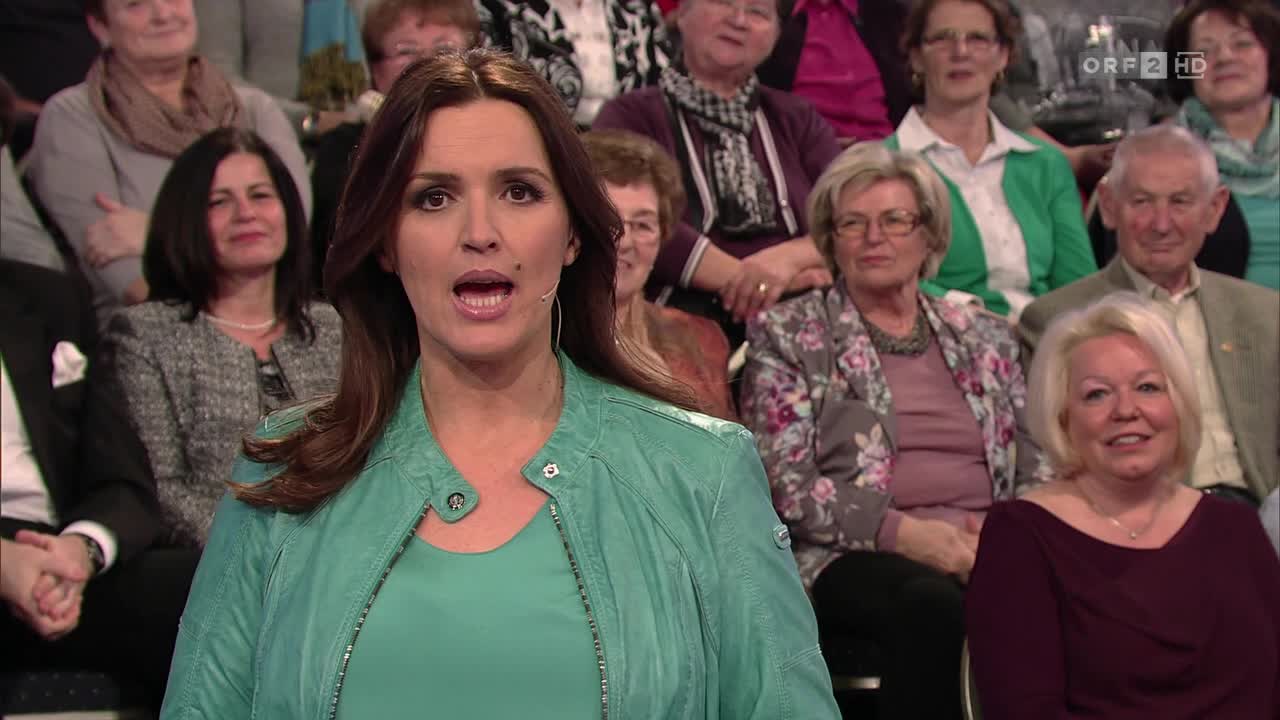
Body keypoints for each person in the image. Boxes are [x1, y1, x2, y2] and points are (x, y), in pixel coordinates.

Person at [158, 50, 839, 719]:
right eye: (433, 197)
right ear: (386, 242)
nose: (480, 233)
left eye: (519, 192)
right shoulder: (286, 474)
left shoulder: (702, 472)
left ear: (572, 233)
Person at [740, 142, 1043, 720]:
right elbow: (784, 484)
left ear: (928, 234)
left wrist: (1008, 536)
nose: (873, 237)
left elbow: (1038, 462)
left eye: (895, 220)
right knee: (931, 603)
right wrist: (908, 534)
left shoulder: (985, 335)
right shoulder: (790, 333)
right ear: (832, 240)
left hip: (990, 544)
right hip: (853, 553)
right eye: (853, 223)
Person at [968, 293, 1280, 718]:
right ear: (1063, 417)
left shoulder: (1236, 528)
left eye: (1148, 387)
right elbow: (1024, 710)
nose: (1127, 410)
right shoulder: (1021, 536)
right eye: (1097, 395)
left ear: (1179, 403)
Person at [102, 129, 342, 548]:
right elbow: (162, 489)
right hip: (221, 561)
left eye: (260, 196)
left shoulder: (335, 327)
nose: (246, 214)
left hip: (348, 551)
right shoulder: (145, 335)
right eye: (219, 202)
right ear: (188, 221)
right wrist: (259, 552)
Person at [1021, 125, 1279, 507]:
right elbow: (1051, 459)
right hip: (1138, 513)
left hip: (1260, 510)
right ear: (1109, 206)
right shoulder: (1057, 319)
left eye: (1180, 202)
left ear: (1215, 209)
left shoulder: (1265, 312)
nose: (1161, 224)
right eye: (1142, 202)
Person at [25, 0, 310, 326]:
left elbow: (291, 229)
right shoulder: (73, 118)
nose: (163, 14)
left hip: (275, 323)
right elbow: (124, 274)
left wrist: (151, 230)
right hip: (151, 333)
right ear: (99, 26)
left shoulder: (255, 109)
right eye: (136, 4)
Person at [0, 258, 199, 712]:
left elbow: (121, 477)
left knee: (207, 590)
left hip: (55, 550)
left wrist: (79, 551)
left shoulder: (46, 297)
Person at [594, 0, 841, 347]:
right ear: (682, 13)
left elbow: (848, 213)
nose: (739, 20)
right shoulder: (630, 115)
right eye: (723, 2)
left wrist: (786, 261)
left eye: (758, 12)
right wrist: (754, 282)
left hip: (806, 313)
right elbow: (630, 222)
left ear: (776, 34)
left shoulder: (797, 118)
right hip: (674, 318)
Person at [885, 0, 1096, 319]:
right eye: (942, 38)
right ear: (916, 57)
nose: (961, 52)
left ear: (1003, 56)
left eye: (978, 39)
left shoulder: (1046, 163)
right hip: (942, 334)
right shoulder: (884, 168)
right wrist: (978, 317)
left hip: (1045, 338)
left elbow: (1079, 288)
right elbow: (887, 280)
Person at [312, 0, 481, 292]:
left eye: (445, 49)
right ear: (376, 72)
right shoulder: (344, 148)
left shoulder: (501, 138)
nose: (427, 63)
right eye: (406, 52)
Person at [583, 129, 737, 420]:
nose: (624, 242)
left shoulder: (700, 338)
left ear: (662, 238)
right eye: (606, 220)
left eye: (643, 225)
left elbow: (726, 442)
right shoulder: (535, 340)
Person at [1167, 0, 1280, 290]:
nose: (1225, 57)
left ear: (1271, 55)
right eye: (1204, 51)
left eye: (1242, 44)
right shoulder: (1158, 157)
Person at [477, 0, 672, 128]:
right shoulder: (498, 7)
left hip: (628, 150)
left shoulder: (637, 6)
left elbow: (665, 83)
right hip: (544, 144)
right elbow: (485, 85)